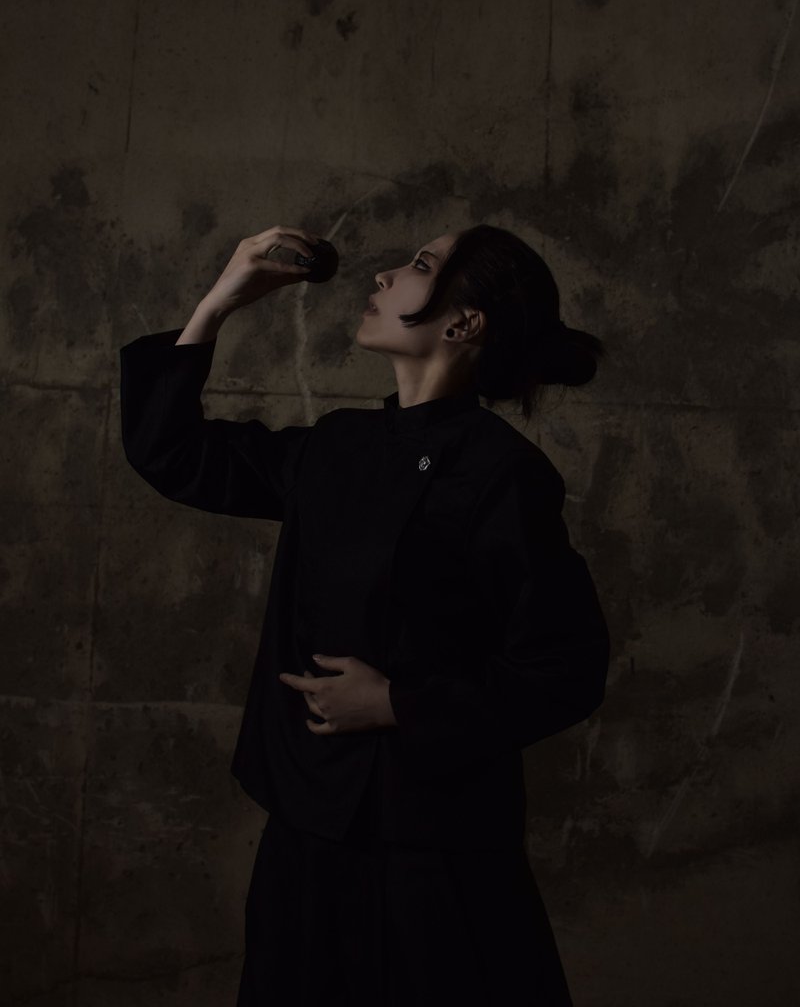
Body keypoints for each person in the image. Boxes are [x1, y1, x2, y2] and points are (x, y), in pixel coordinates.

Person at [119, 221, 611, 1005]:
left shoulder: (503, 475)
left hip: (432, 857)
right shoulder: (339, 446)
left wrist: (397, 703)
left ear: (464, 322)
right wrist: (219, 302)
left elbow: (567, 667)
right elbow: (174, 455)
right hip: (305, 838)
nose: (383, 276)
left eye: (418, 265)